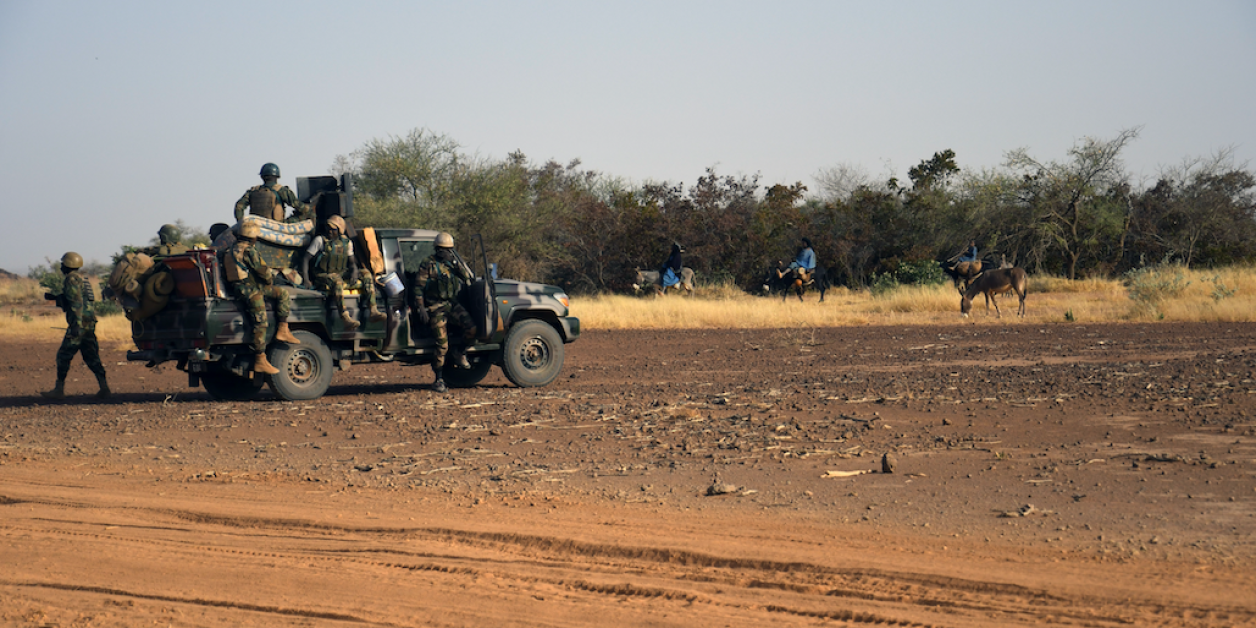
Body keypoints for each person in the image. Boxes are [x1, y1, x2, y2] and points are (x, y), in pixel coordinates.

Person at [225, 221, 301, 375]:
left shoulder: (230, 250)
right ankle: (260, 358)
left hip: (239, 288)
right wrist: (270, 278)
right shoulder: (249, 251)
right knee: (261, 322)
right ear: (253, 237)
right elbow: (263, 272)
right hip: (251, 290)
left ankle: (283, 330)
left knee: (281, 294)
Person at [410, 232, 477, 393]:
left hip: (451, 305)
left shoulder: (452, 264)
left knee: (472, 328)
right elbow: (418, 288)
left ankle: (459, 352)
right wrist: (421, 309)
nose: (447, 252)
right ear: (437, 249)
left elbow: (468, 278)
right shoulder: (428, 264)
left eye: (450, 250)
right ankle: (439, 378)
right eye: (444, 250)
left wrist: (456, 263)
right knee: (442, 344)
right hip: (435, 307)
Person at [41, 252, 109, 399]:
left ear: (68, 265)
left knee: (63, 356)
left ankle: (59, 390)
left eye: (62, 264)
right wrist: (56, 298)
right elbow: (80, 300)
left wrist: (76, 325)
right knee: (91, 356)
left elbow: (76, 302)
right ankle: (104, 387)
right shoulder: (82, 279)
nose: (61, 267)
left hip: (79, 324)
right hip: (89, 322)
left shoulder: (71, 279)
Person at [302, 215, 385, 330]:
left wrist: (355, 271)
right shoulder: (320, 241)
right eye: (328, 228)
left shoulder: (347, 243)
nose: (329, 231)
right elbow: (306, 259)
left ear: (340, 231)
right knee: (337, 280)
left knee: (366, 273)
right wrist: (306, 279)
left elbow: (351, 262)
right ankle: (345, 317)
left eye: (333, 229)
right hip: (323, 275)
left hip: (340, 272)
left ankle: (373, 310)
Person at [233, 163, 311, 223]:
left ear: (262, 177)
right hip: (276, 225)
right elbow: (297, 205)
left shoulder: (253, 191)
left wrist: (241, 223)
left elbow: (239, 206)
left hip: (256, 224)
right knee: (304, 215)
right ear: (277, 176)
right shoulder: (281, 190)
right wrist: (309, 208)